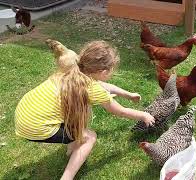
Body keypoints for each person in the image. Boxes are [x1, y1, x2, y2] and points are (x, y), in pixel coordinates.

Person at [14, 41, 155, 180]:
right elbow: (121, 111)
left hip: (24, 114)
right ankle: (67, 177)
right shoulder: (92, 89)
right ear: (104, 71)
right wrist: (144, 115)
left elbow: (103, 86)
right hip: (35, 128)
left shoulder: (71, 70)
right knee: (90, 137)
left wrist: (128, 95)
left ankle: (72, 148)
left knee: (77, 116)